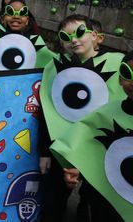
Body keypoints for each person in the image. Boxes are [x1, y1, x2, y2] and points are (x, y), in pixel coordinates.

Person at [39, 14, 125, 222]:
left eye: (79, 33)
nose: (73, 40)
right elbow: (46, 111)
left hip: (102, 150)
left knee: (99, 204)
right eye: (65, 36)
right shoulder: (55, 67)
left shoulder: (119, 65)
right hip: (63, 147)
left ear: (94, 35)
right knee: (53, 202)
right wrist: (45, 152)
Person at [52, 52, 133, 222]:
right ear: (119, 79)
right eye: (127, 74)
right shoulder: (105, 113)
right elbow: (88, 146)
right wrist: (76, 169)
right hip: (104, 199)